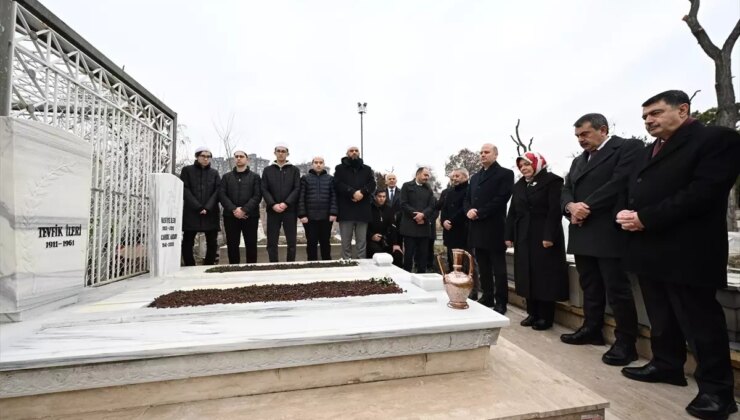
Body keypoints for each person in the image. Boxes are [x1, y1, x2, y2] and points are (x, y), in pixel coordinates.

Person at [616, 90, 740, 419]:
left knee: (700, 322)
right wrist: (628, 214)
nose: (648, 121)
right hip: (648, 247)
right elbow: (637, 188)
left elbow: (702, 193)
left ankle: (717, 392)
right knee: (660, 315)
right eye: (644, 117)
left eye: (655, 113)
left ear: (683, 109)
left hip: (689, 250)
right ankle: (667, 364)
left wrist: (646, 218)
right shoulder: (648, 151)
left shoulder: (717, 139)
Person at [560, 113, 643, 366]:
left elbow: (619, 182)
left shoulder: (626, 148)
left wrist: (586, 206)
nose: (580, 140)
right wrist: (571, 207)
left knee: (617, 289)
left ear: (603, 130)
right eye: (577, 136)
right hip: (582, 229)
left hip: (609, 229)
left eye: (585, 134)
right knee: (590, 285)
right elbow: (566, 188)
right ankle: (591, 329)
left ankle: (626, 342)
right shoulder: (578, 161)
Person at [504, 152, 568, 331]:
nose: (524, 168)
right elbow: (513, 212)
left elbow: (555, 211)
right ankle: (532, 313)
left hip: (544, 234)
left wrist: (549, 236)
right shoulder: (519, 185)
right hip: (523, 234)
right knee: (526, 273)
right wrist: (508, 235)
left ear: (537, 163)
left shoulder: (552, 181)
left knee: (544, 275)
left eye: (527, 164)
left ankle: (545, 316)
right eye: (521, 165)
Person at [464, 143, 514, 314]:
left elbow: (501, 198)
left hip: (494, 227)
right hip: (477, 228)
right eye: (481, 152)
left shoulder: (505, 174)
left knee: (499, 269)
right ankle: (488, 296)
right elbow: (467, 199)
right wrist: (468, 210)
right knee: (483, 266)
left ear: (495, 154)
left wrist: (479, 212)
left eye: (486, 152)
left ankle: (501, 301)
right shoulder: (475, 177)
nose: (483, 155)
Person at [219, 150, 262, 264]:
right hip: (230, 216)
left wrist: (244, 210)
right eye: (236, 156)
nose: (238, 158)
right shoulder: (226, 177)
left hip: (250, 216)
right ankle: (234, 269)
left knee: (251, 244)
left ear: (247, 159)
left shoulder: (255, 177)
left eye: (241, 156)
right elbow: (222, 195)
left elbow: (257, 196)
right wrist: (234, 209)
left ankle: (251, 268)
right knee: (232, 244)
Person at [180, 146, 221, 266]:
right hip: (192, 211)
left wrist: (207, 207)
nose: (206, 159)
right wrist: (198, 207)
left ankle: (208, 264)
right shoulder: (187, 170)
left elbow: (218, 191)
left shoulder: (214, 173)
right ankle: (189, 265)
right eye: (203, 156)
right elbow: (185, 189)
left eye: (208, 156)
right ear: (197, 156)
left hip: (210, 211)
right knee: (188, 240)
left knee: (212, 241)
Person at [334, 145, 376, 259]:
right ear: (347, 153)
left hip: (362, 211)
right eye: (351, 151)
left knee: (361, 242)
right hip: (346, 210)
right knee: (345, 242)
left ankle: (362, 264)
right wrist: (352, 192)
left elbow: (372, 184)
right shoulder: (339, 168)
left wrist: (362, 192)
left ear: (359, 153)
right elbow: (337, 184)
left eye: (356, 151)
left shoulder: (367, 169)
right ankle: (346, 264)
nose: (354, 152)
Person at [261, 143, 301, 262]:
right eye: (278, 151)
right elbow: (264, 189)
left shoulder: (294, 170)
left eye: (283, 151)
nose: (281, 153)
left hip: (290, 210)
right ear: (275, 153)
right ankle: (273, 264)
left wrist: (286, 203)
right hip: (273, 210)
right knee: (272, 241)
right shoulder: (267, 170)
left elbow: (297, 188)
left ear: (287, 153)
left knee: (291, 242)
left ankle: (290, 264)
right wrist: (273, 204)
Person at [298, 156, 338, 261]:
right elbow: (301, 197)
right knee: (311, 242)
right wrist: (302, 215)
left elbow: (334, 196)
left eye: (321, 162)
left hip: (326, 218)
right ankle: (312, 264)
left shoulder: (330, 179)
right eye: (316, 162)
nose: (318, 164)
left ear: (324, 164)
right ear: (312, 164)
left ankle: (327, 263)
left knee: (325, 241)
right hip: (310, 218)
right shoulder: (305, 178)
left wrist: (333, 213)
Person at [398, 167, 436, 273]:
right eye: (425, 175)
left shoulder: (429, 189)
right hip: (410, 227)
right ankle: (406, 277)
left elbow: (432, 206)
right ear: (418, 174)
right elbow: (403, 203)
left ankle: (421, 277)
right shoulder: (406, 186)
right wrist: (416, 215)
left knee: (423, 256)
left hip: (423, 228)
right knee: (408, 255)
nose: (427, 177)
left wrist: (423, 215)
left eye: (428, 175)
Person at [366, 190, 403, 266]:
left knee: (397, 254)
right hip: (372, 240)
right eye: (379, 196)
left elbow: (393, 227)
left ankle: (395, 276)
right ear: (375, 197)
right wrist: (371, 236)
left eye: (384, 196)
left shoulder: (389, 209)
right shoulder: (369, 209)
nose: (381, 198)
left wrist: (395, 244)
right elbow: (365, 227)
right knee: (378, 253)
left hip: (386, 240)